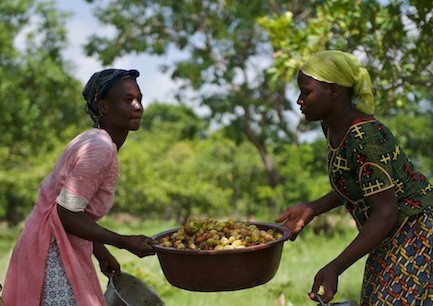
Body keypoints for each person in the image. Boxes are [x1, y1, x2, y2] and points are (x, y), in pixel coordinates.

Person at [275, 50, 433, 305]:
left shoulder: (364, 137)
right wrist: (312, 208)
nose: (299, 100)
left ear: (334, 92)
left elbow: (385, 212)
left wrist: (335, 267)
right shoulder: (332, 127)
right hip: (388, 236)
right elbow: (361, 185)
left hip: (415, 234)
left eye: (306, 92)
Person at [3, 69, 156, 305]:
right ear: (102, 106)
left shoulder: (94, 141)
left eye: (139, 99)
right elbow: (66, 214)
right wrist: (125, 241)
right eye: (128, 100)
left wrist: (101, 251)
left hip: (49, 246)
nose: (138, 106)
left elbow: (75, 209)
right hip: (51, 254)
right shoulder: (99, 148)